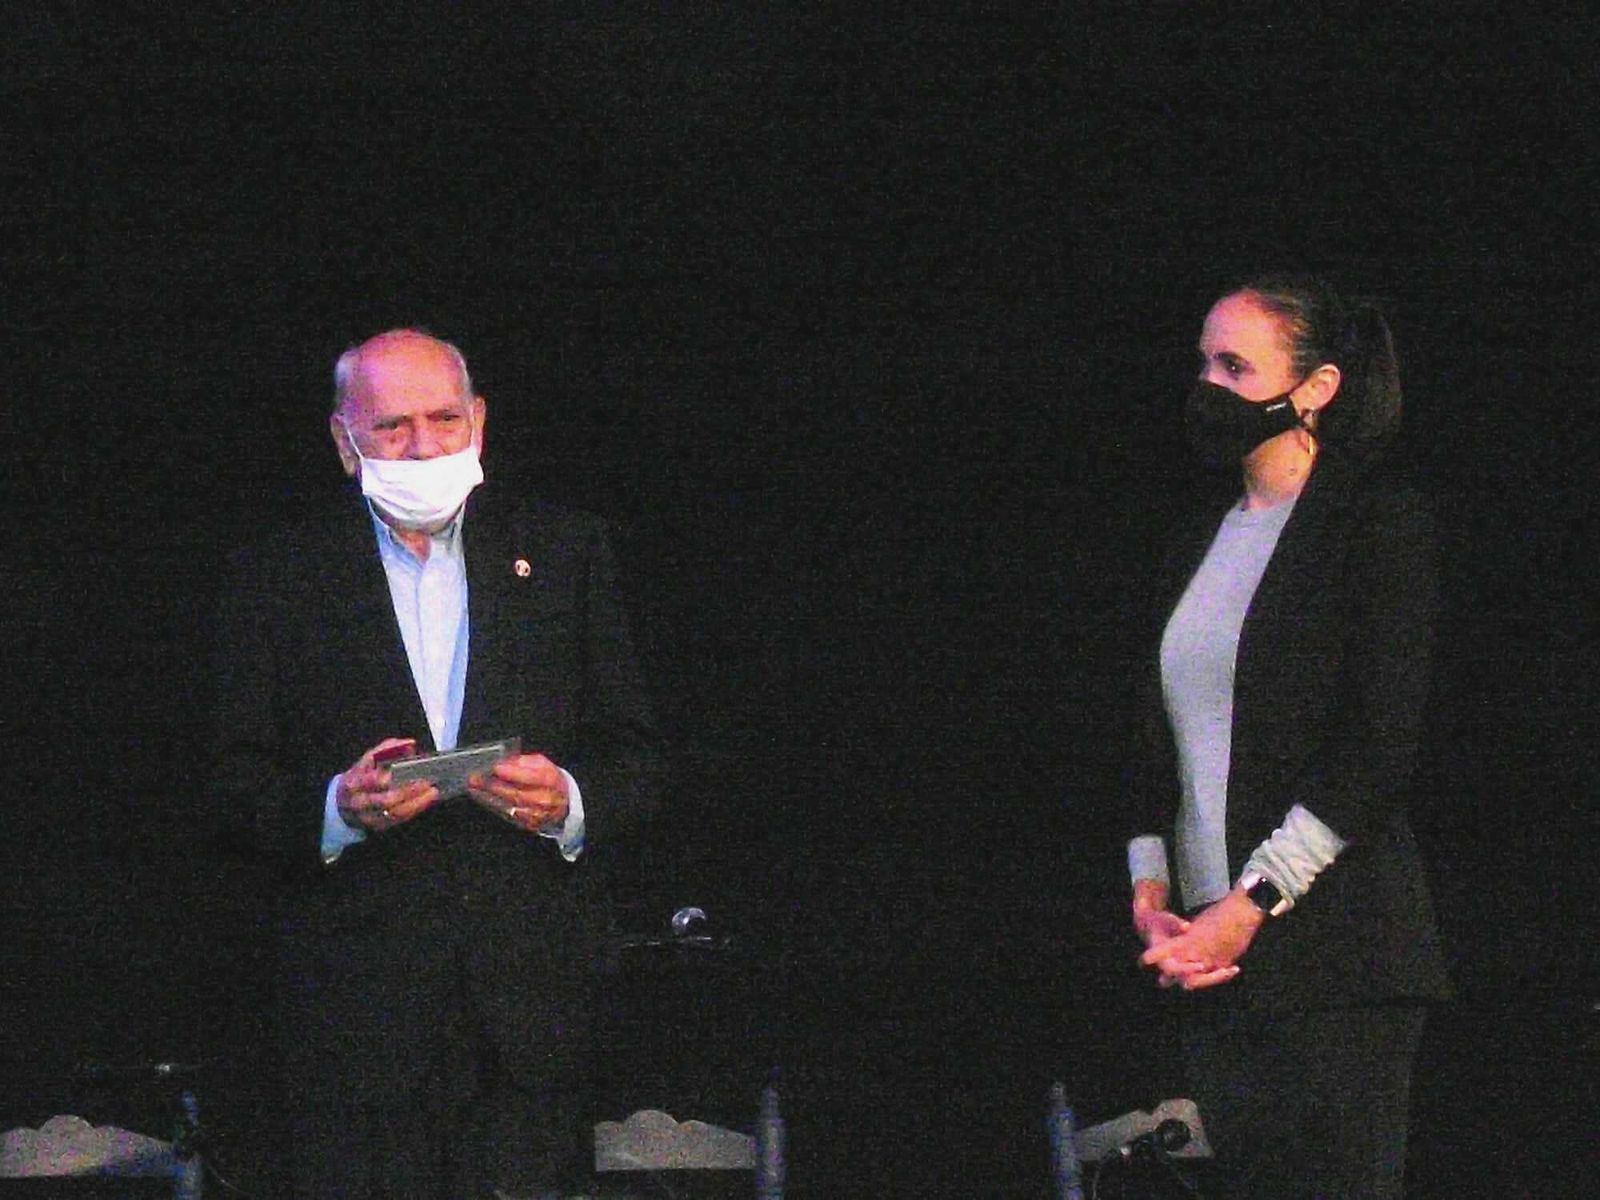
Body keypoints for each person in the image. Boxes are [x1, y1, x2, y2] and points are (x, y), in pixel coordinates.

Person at [211, 329, 661, 1198]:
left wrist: (567, 798)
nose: (424, 448)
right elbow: (228, 784)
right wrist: (336, 807)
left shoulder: (568, 553)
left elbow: (641, 757)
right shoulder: (273, 577)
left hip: (530, 1020)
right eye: (392, 428)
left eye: (445, 420)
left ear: (480, 422)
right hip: (353, 1033)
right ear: (345, 441)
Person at [1123, 276, 1449, 1197]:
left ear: (1316, 388)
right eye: (1203, 363)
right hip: (1214, 960)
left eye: (1235, 365)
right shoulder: (1197, 539)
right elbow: (1156, 744)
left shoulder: (1374, 525)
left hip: (1334, 953)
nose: (1209, 386)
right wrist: (1157, 895)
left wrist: (1251, 903)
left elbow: (1379, 745)